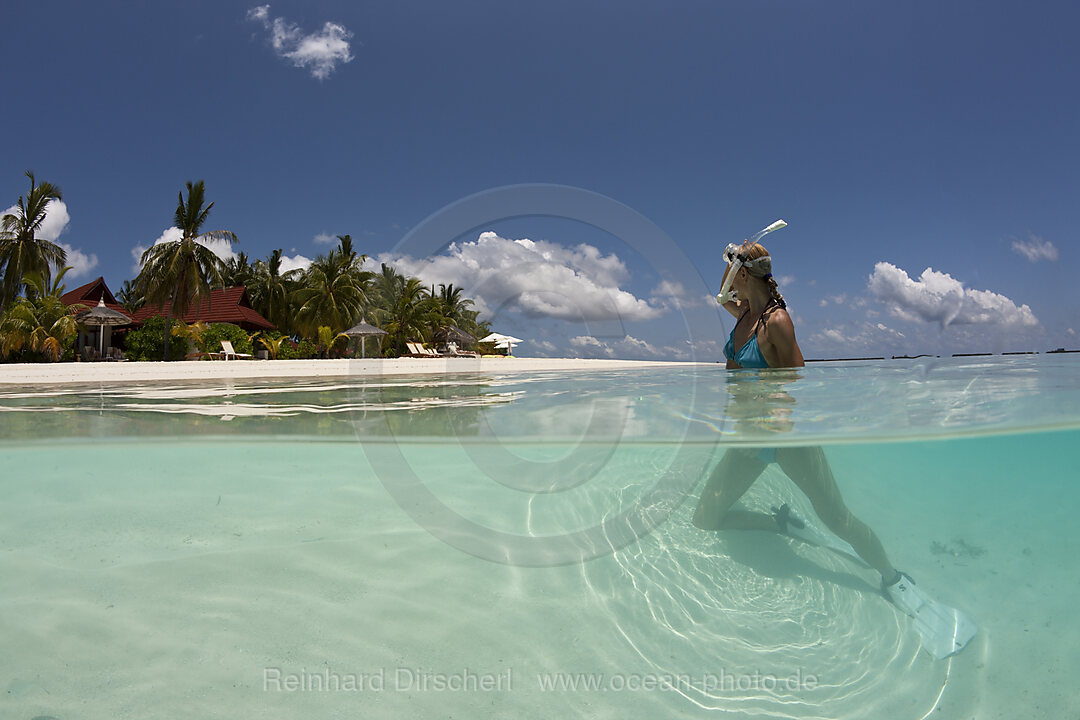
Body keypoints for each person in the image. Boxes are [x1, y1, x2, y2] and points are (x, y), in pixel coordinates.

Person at [692, 240, 904, 592]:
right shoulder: (743, 312)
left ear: (743, 275)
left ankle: (892, 577)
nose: (729, 279)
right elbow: (720, 296)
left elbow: (799, 384)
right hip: (750, 437)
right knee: (705, 518)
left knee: (837, 518)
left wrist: (766, 401)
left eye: (733, 271)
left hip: (786, 437)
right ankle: (781, 524)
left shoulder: (777, 322)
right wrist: (731, 258)